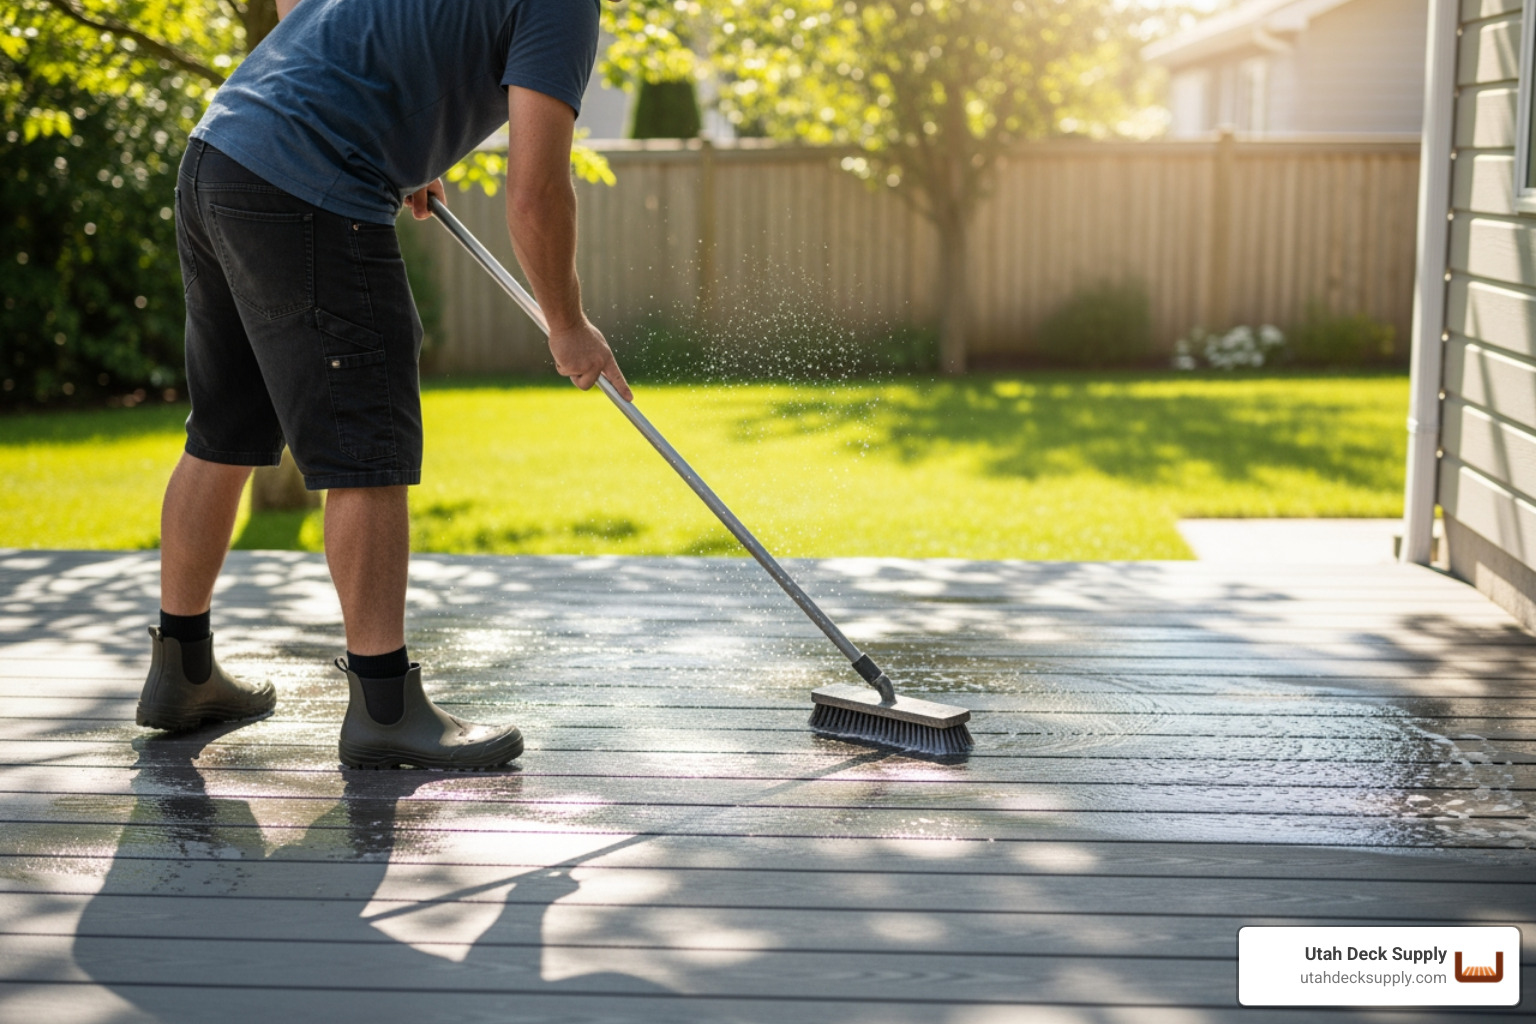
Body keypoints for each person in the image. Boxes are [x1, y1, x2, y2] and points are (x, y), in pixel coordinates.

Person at [135, 0, 631, 769]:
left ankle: (182, 671)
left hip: (221, 150)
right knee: (367, 443)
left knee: (225, 428)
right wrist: (566, 324)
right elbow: (535, 192)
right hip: (307, 187)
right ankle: (385, 709)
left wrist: (381, 124)